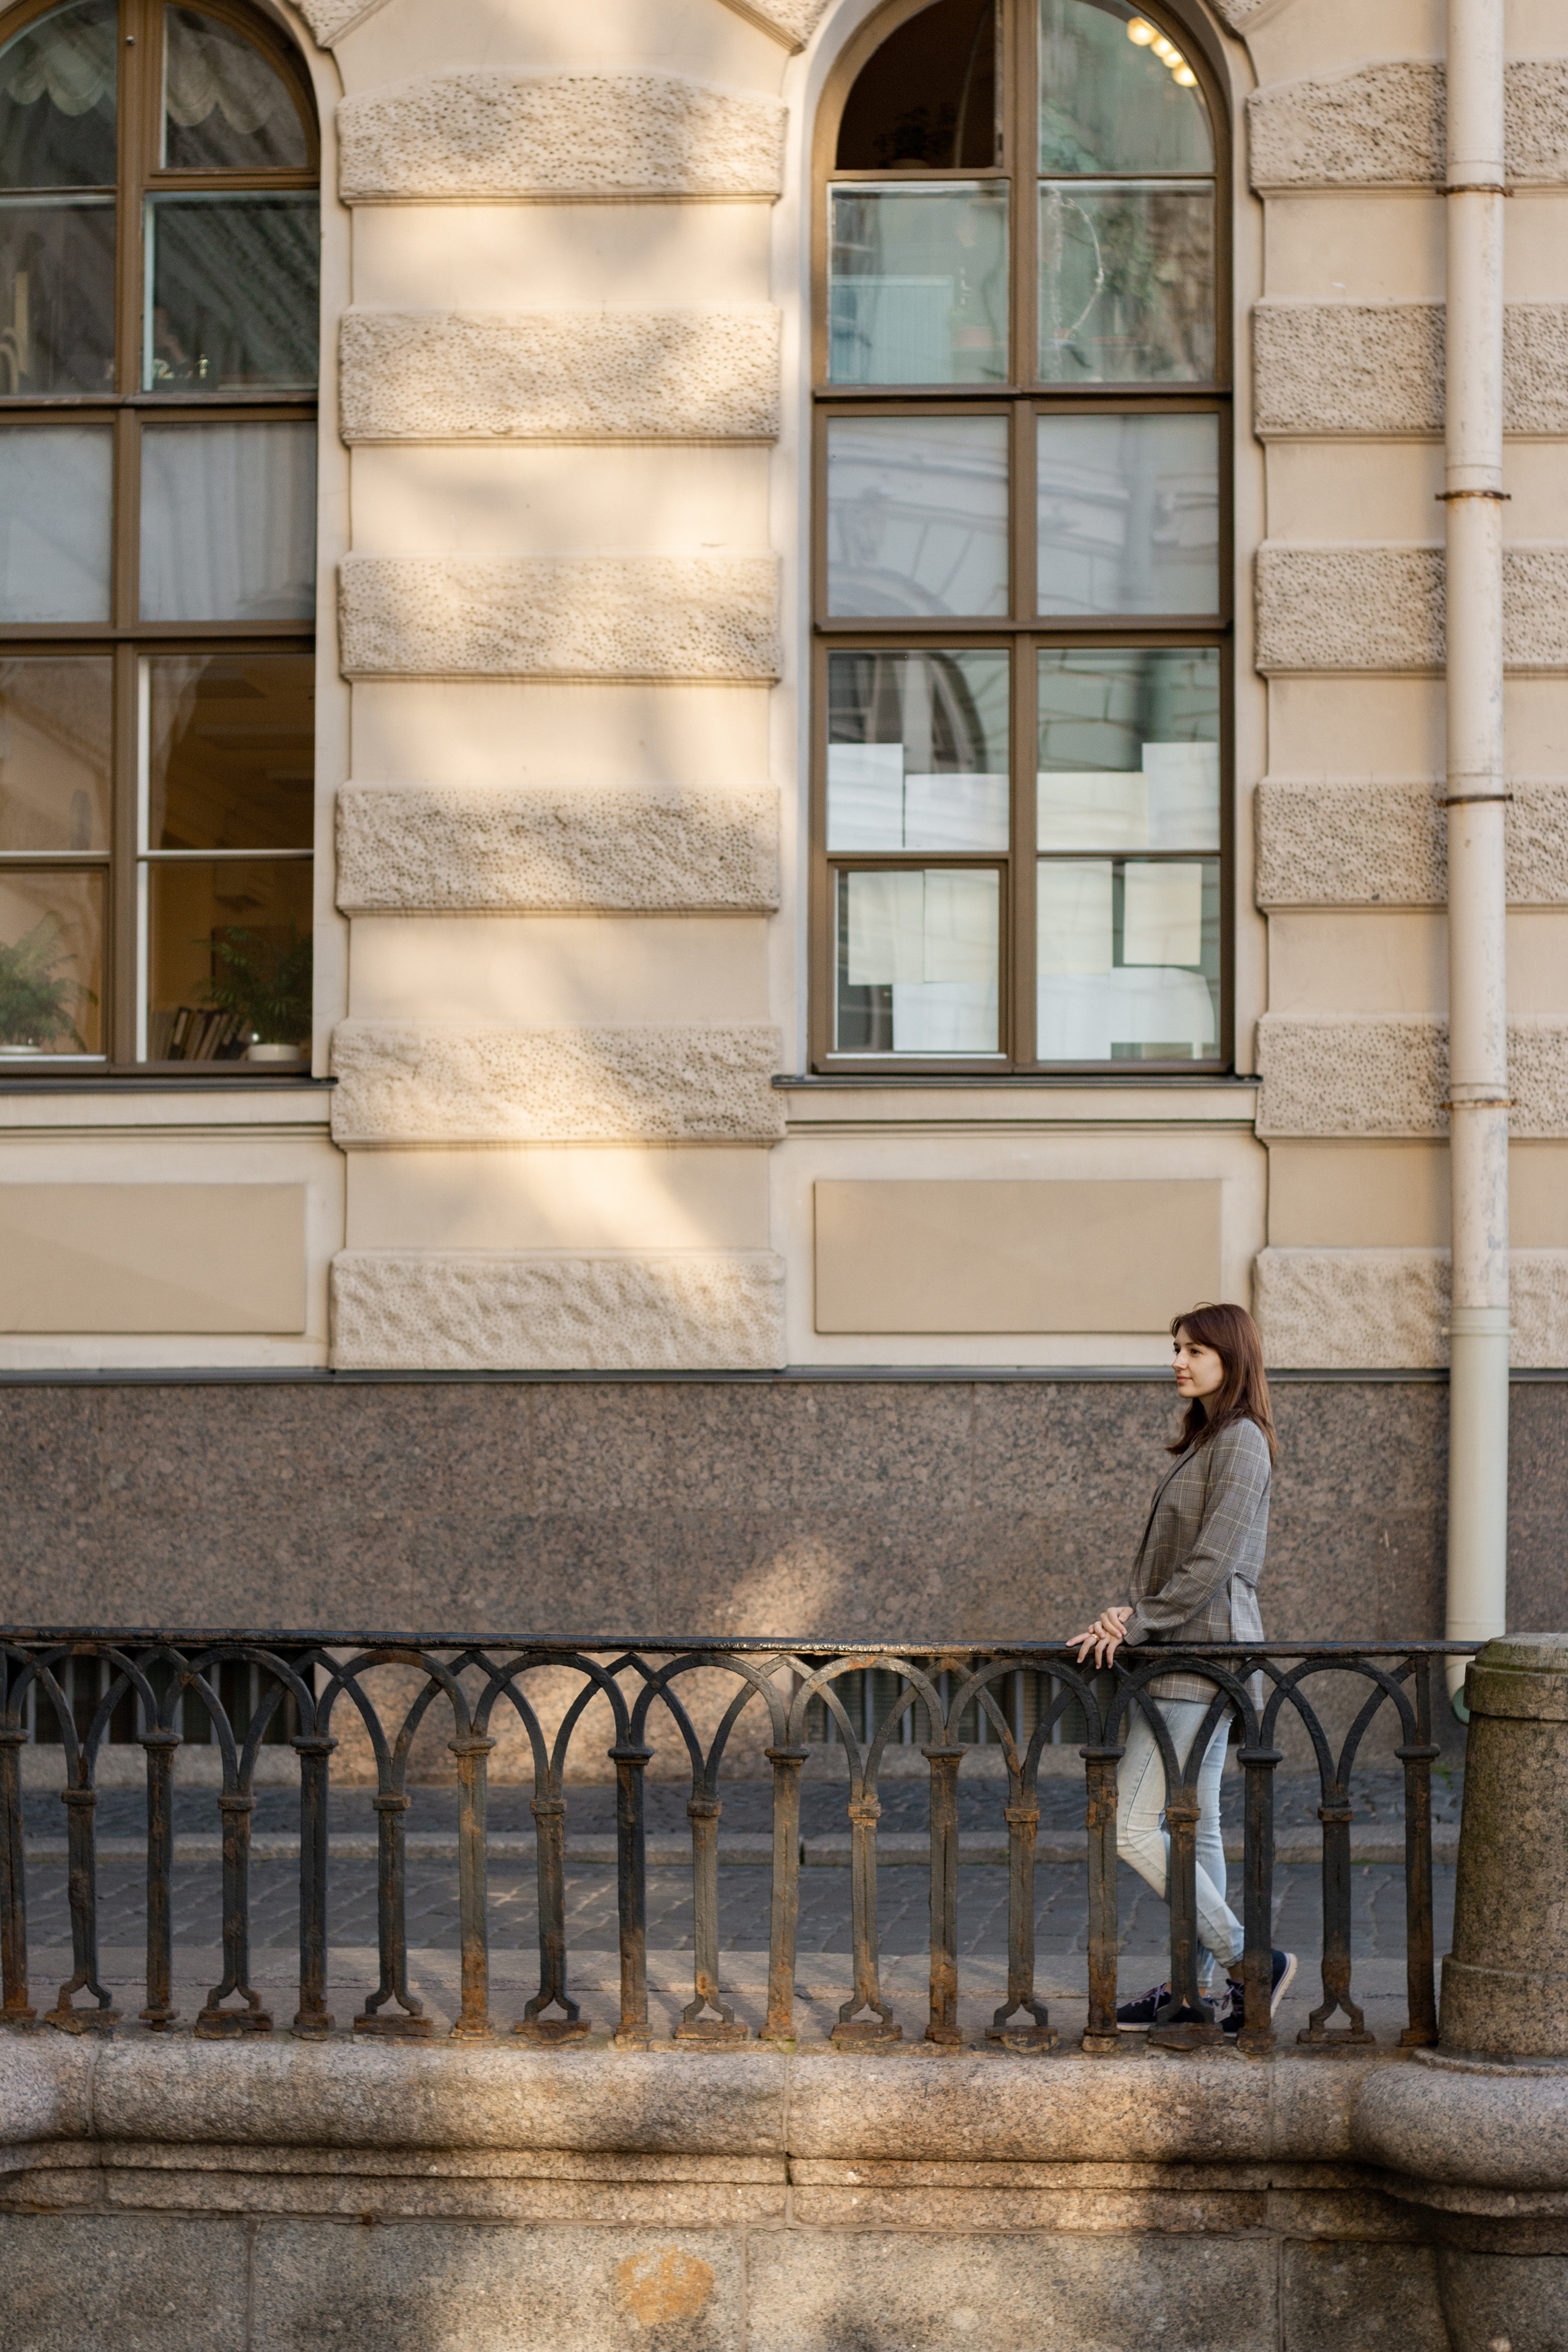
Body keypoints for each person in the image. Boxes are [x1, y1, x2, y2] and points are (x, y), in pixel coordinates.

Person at [1067, 1302, 1296, 2036]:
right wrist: (1128, 1615)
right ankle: (1196, 1995)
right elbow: (1180, 1572)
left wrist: (1136, 1619)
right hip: (1181, 1650)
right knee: (1194, 1830)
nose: (1179, 1360)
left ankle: (1248, 1962)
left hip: (1199, 1659)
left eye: (1196, 1350)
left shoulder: (1242, 1442)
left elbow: (1211, 1564)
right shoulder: (1210, 1442)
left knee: (1132, 1829)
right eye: (1176, 1348)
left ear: (1232, 1358)